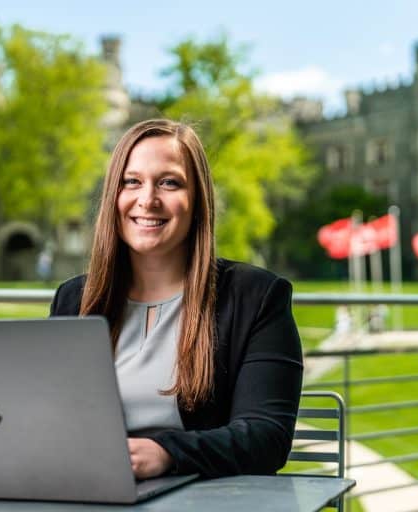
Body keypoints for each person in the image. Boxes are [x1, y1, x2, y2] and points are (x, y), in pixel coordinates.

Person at [50, 119, 303, 479]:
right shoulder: (74, 299)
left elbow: (267, 437)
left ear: (197, 200)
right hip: (93, 494)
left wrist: (167, 454)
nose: (147, 199)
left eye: (169, 183)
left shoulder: (256, 297)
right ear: (114, 197)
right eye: (131, 182)